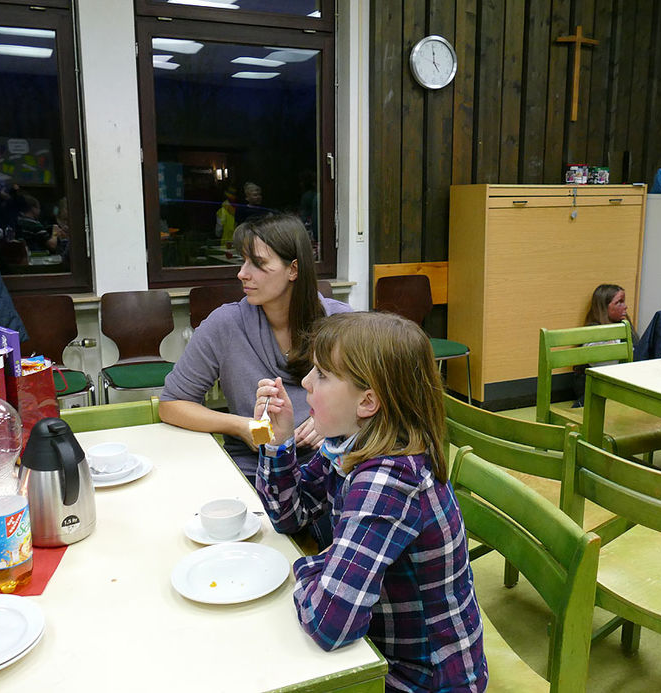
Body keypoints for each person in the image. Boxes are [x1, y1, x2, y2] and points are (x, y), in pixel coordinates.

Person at [252, 311, 488, 692]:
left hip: (427, 679)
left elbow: (331, 624)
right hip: (384, 648)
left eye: (323, 375)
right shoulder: (353, 444)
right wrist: (277, 443)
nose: (306, 383)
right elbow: (290, 517)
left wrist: (312, 566)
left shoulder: (387, 482)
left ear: (367, 402)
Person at [159, 213, 352, 482]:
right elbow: (171, 404)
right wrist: (242, 426)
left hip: (330, 462)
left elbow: (373, 396)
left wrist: (331, 421)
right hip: (256, 467)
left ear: (293, 270)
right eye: (244, 261)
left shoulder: (340, 323)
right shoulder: (225, 325)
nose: (242, 273)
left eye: (258, 263)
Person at [572, 283, 631, 405]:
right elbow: (602, 364)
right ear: (604, 307)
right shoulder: (594, 331)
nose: (625, 307)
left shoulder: (623, 325)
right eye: (619, 302)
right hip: (591, 382)